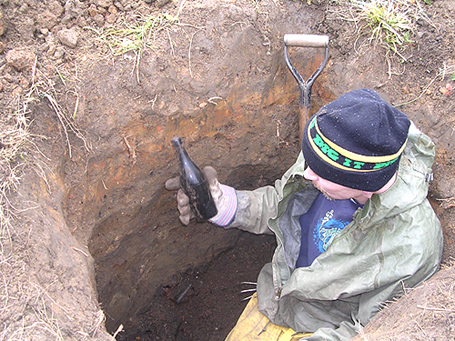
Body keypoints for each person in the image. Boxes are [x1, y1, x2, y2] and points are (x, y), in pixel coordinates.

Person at [165, 88, 443, 340]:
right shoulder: (328, 153)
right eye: (309, 162)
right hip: (276, 294)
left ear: (361, 180)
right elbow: (285, 203)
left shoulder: (412, 248)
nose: (307, 173)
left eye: (321, 173)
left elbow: (371, 330)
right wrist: (225, 204)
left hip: (323, 328)